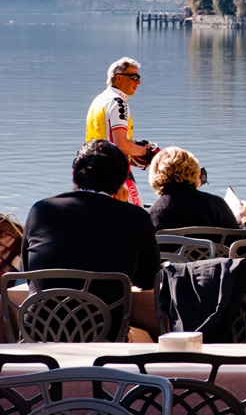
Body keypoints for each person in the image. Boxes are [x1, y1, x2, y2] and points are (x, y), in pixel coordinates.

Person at [23, 140, 161, 339]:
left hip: (38, 333)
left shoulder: (40, 211)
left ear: (74, 175)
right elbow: (149, 280)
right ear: (121, 182)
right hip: (103, 334)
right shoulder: (135, 217)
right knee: (147, 338)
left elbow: (30, 275)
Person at [85, 57, 158, 205]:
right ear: (118, 78)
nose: (138, 82)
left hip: (91, 171)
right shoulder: (118, 102)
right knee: (135, 215)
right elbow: (121, 145)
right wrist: (146, 152)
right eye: (134, 77)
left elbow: (106, 139)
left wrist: (134, 149)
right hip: (115, 174)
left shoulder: (99, 100)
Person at [147, 147, 246, 230]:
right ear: (195, 171)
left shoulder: (152, 215)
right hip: (213, 256)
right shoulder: (216, 205)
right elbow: (243, 250)